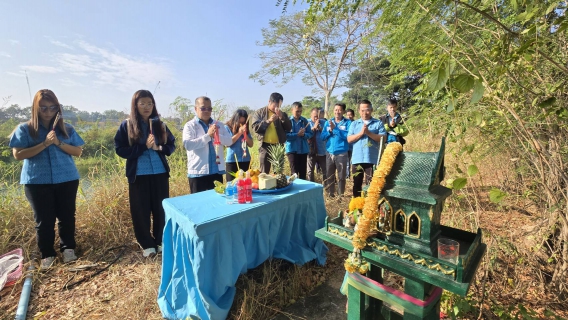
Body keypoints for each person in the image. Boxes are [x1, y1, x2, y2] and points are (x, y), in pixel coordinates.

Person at [9, 89, 84, 269]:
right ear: (35, 108)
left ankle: (68, 249)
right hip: (36, 181)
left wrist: (58, 142)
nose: (48, 112)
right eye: (43, 108)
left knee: (67, 216)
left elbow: (78, 151)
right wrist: (44, 144)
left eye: (52, 107)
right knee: (44, 220)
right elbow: (18, 154)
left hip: (66, 178)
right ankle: (47, 254)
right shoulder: (25, 129)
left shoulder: (67, 129)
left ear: (58, 108)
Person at [115, 90, 176, 257]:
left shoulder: (160, 125)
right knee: (140, 210)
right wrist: (143, 147)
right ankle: (146, 244)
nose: (146, 107)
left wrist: (159, 148)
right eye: (142, 103)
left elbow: (171, 145)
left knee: (160, 208)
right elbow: (119, 149)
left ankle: (160, 240)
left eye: (150, 103)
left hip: (160, 172)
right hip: (139, 174)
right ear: (135, 105)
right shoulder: (127, 125)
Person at [183, 96, 232, 193]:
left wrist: (216, 136)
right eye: (203, 108)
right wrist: (208, 136)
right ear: (195, 109)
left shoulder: (219, 124)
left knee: (217, 203)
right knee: (199, 205)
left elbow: (229, 141)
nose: (206, 111)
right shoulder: (190, 125)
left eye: (209, 108)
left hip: (216, 172)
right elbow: (188, 145)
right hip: (198, 173)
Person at [348, 100, 387, 198]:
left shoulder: (378, 123)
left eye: (367, 110)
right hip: (357, 160)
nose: (365, 113)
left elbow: (383, 138)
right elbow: (349, 139)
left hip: (372, 160)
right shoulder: (354, 124)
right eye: (362, 110)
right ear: (359, 111)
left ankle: (370, 208)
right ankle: (357, 207)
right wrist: (361, 133)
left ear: (371, 110)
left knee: (371, 185)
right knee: (357, 185)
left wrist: (369, 133)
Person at [251, 92, 292, 173]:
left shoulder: (282, 114)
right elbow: (255, 128)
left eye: (279, 106)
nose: (277, 108)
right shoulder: (259, 112)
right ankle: (265, 186)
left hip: (278, 146)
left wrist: (282, 117)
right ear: (269, 101)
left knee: (278, 171)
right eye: (275, 105)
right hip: (265, 146)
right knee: (264, 172)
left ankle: (278, 185)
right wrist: (268, 121)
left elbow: (289, 127)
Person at [320, 103, 351, 197]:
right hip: (329, 152)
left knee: (341, 176)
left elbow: (347, 136)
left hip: (342, 153)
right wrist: (330, 131)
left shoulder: (348, 123)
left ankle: (340, 195)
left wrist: (335, 129)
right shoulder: (328, 122)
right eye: (336, 110)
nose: (337, 112)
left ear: (344, 112)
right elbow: (322, 137)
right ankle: (331, 194)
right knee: (329, 175)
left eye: (339, 110)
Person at [224, 109, 254, 182]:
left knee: (246, 184)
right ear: (235, 119)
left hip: (245, 160)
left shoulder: (245, 129)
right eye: (240, 122)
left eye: (243, 122)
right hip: (232, 161)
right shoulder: (227, 127)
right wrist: (239, 133)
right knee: (232, 184)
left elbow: (251, 144)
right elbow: (227, 144)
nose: (241, 124)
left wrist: (245, 134)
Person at [285, 102, 313, 180]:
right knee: (294, 173)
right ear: (292, 110)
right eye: (297, 111)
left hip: (303, 150)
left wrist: (304, 135)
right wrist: (297, 134)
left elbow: (310, 133)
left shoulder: (304, 121)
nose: (299, 113)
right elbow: (285, 136)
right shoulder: (288, 121)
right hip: (292, 150)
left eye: (300, 111)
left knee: (303, 173)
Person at [307, 107, 327, 183]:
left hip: (322, 151)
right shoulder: (307, 123)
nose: (317, 118)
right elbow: (306, 135)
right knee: (310, 171)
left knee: (325, 171)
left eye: (318, 116)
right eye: (315, 116)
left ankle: (326, 187)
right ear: (311, 115)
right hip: (311, 151)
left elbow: (326, 135)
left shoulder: (324, 122)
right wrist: (314, 128)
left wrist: (320, 128)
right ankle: (311, 186)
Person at [345, 108, 355, 179]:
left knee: (353, 161)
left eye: (350, 115)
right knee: (347, 162)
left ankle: (354, 175)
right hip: (346, 146)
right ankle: (347, 176)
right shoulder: (344, 123)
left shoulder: (356, 123)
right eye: (347, 115)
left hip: (354, 146)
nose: (349, 117)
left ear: (353, 115)